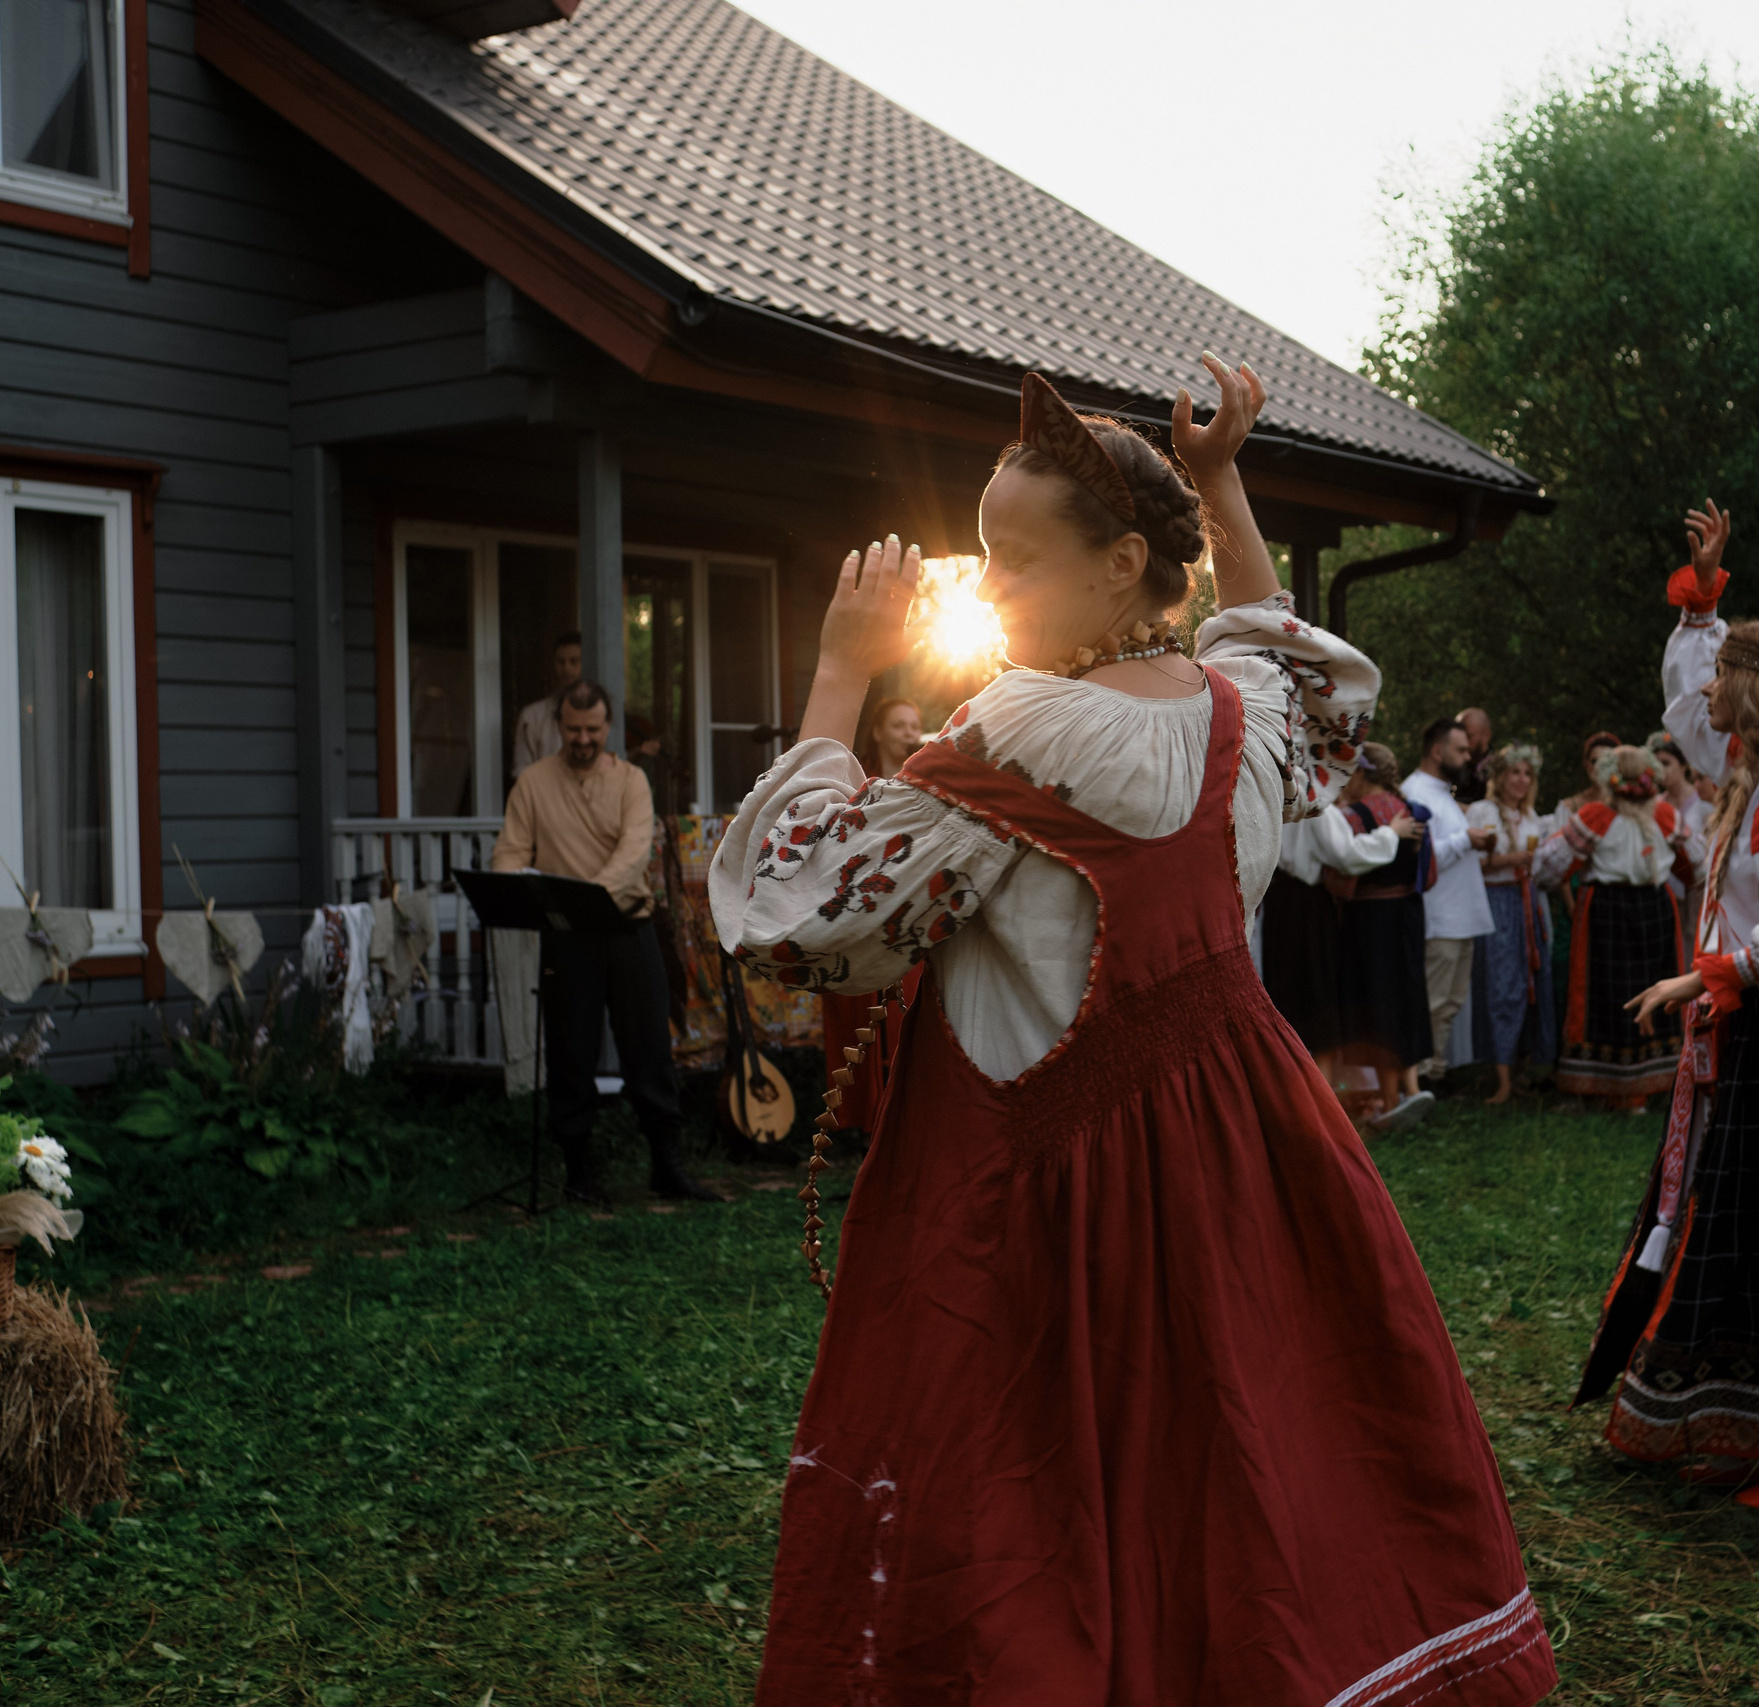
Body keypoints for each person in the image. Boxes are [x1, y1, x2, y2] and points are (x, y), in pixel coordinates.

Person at [710, 363, 1555, 1704]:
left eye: (1014, 560)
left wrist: (834, 669)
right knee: (1224, 1461)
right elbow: (1267, 634)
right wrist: (1220, 480)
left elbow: (800, 904)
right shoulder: (1236, 710)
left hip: (1047, 1191)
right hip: (1238, 1157)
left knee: (1032, 1502)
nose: (986, 590)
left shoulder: (1029, 725)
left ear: (1118, 566)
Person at [1581, 498, 1759, 1512]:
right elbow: (1688, 719)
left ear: (1758, 696)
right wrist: (1701, 597)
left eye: (1721, 679)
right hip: (1738, 1037)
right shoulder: (1744, 778)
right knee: (1720, 1221)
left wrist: (1717, 974)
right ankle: (1743, 1425)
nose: (1704, 698)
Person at [493, 679, 720, 1204]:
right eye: (572, 730)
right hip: (567, 936)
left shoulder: (632, 781)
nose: (582, 739)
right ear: (559, 727)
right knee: (571, 1052)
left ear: (607, 727)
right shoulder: (531, 783)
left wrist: (587, 894)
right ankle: (578, 1175)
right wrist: (524, 887)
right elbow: (508, 853)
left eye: (592, 730)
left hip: (628, 928)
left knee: (649, 1049)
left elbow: (633, 852)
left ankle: (667, 1166)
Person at [1536, 744, 1689, 1109]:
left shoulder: (1595, 816)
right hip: (1655, 909)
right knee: (1655, 984)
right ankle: (1651, 1086)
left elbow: (1547, 867)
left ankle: (1601, 1086)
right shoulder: (1665, 816)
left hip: (1605, 909)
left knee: (1603, 992)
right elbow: (1696, 864)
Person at [819, 695, 933, 1141]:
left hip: (908, 919)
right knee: (857, 1020)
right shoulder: (852, 781)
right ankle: (863, 1126)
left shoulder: (926, 781)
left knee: (908, 1020)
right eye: (900, 724)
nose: (909, 732)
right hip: (857, 917)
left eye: (914, 724)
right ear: (879, 731)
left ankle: (906, 1121)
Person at [1262, 771, 1412, 1060]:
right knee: (1315, 998)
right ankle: (1319, 1092)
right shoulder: (1312, 793)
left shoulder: (1284, 782)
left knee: (1289, 993)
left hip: (1282, 901)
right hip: (1305, 906)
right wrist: (1391, 833)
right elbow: (1346, 855)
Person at [1332, 742, 1440, 1124]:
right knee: (1406, 995)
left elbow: (1340, 874)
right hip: (1408, 915)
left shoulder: (1352, 816)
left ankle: (1391, 1101)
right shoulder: (1410, 812)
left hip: (1369, 918)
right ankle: (1407, 1093)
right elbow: (1429, 874)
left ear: (1362, 774)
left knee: (1376, 999)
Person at [1404, 715, 1498, 1082]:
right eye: (1460, 750)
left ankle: (1435, 1073)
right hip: (1439, 916)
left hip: (1462, 915)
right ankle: (1422, 1077)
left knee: (1451, 1002)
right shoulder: (1414, 792)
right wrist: (1466, 841)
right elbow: (1418, 858)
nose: (1467, 758)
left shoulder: (1443, 795)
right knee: (1434, 1000)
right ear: (1437, 750)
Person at [1466, 744, 1553, 1104]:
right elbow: (1471, 863)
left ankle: (1522, 1069)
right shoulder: (1482, 811)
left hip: (1527, 901)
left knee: (1533, 981)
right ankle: (1499, 1076)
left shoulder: (1532, 816)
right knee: (1502, 984)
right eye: (1514, 772)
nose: (1521, 780)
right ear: (1500, 777)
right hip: (1497, 902)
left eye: (1527, 774)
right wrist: (1507, 859)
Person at [1648, 731, 1712, 951]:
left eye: (1666, 763)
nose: (1661, 771)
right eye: (1656, 764)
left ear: (1684, 765)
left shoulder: (1703, 802)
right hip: (1663, 888)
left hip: (1695, 889)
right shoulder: (1653, 804)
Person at [511, 630, 584, 778]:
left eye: (574, 661)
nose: (567, 668)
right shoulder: (533, 716)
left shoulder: (600, 714)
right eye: (561, 662)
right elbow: (522, 771)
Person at [854, 695, 926, 778]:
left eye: (915, 727)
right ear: (878, 732)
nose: (909, 733)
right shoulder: (857, 776)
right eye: (898, 726)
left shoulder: (930, 778)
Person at [1453, 706, 1494, 805]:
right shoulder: (1453, 763)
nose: (1462, 743)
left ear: (1486, 735)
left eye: (1468, 736)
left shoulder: (1499, 768)